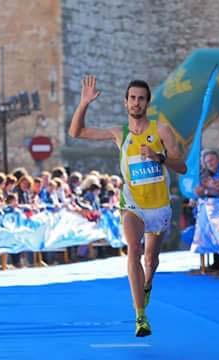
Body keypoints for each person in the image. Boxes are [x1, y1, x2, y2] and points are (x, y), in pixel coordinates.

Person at [69, 75, 186, 337]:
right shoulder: (118, 133)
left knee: (151, 259)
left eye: (141, 98)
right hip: (132, 202)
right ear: (126, 103)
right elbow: (76, 132)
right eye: (132, 98)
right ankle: (140, 316)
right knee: (133, 249)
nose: (136, 102)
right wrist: (84, 103)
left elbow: (182, 166)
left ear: (147, 103)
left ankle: (147, 285)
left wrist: (159, 157)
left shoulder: (161, 130)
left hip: (159, 205)